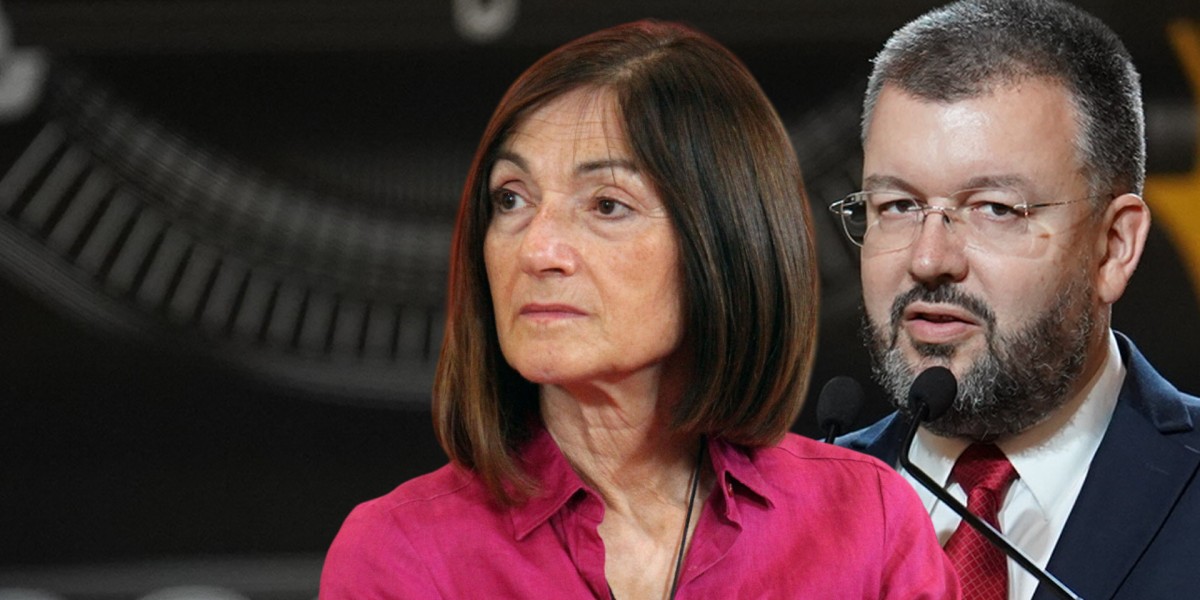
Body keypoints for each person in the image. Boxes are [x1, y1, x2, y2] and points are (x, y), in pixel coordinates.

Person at [320, 19, 958, 600]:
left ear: (725, 244)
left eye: (606, 205)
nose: (537, 250)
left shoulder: (866, 521)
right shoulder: (403, 552)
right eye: (511, 198)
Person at [834, 1, 1200, 599]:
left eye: (995, 209)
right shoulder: (789, 512)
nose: (928, 260)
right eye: (897, 206)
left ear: (1113, 246)